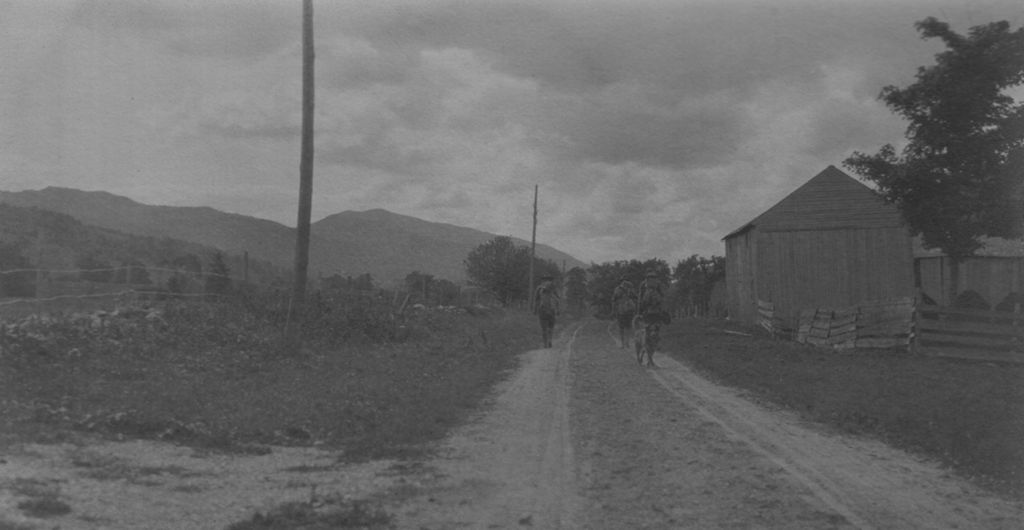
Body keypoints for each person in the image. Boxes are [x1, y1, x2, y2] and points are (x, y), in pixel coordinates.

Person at [636, 269, 668, 357]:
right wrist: (664, 310)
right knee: (656, 331)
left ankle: (645, 350)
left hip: (647, 312)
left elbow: (640, 300)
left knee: (647, 331)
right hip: (657, 312)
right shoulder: (658, 284)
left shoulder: (643, 284)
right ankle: (651, 356)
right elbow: (663, 297)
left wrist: (639, 312)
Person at [533, 275, 560, 348]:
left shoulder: (539, 288)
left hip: (542, 310)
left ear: (543, 280)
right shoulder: (554, 288)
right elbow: (558, 299)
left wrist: (535, 310)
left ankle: (545, 343)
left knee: (544, 328)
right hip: (552, 310)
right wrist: (558, 310)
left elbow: (536, 300)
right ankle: (550, 340)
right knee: (551, 327)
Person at [611, 276, 636, 348]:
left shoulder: (628, 289)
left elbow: (614, 300)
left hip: (626, 311)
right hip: (622, 310)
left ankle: (625, 342)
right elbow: (614, 299)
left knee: (625, 327)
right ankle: (624, 342)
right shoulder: (620, 289)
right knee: (624, 327)